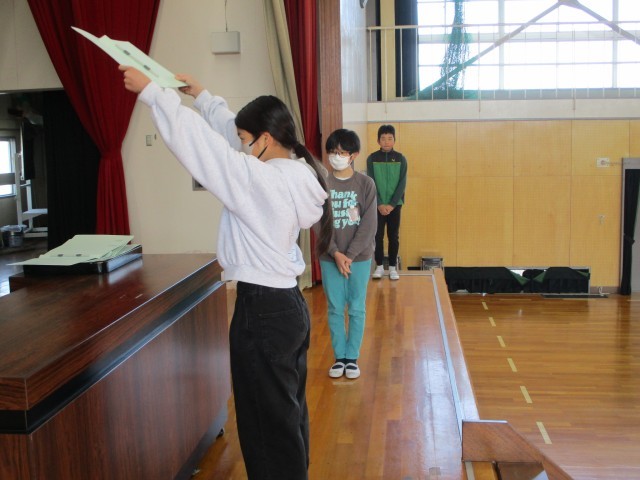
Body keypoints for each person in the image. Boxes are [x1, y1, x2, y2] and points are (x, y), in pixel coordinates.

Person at [119, 65, 333, 480]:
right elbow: (229, 139)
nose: (240, 145)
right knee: (285, 417)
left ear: (265, 139)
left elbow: (206, 150)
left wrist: (154, 95)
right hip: (287, 307)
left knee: (265, 428)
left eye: (245, 139)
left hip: (262, 312)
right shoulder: (297, 172)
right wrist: (202, 97)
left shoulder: (259, 181)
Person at [318, 129, 377, 380]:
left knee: (356, 308)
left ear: (354, 155)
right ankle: (339, 357)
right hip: (329, 257)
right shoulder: (322, 184)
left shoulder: (365, 184)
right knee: (334, 308)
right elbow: (319, 223)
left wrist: (349, 255)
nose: (336, 157)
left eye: (342, 153)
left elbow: (369, 225)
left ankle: (352, 358)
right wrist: (335, 253)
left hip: (359, 258)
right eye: (332, 152)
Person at [366, 124, 407, 281]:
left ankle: (392, 268)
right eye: (383, 138)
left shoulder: (401, 159)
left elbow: (402, 183)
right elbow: (371, 182)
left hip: (395, 205)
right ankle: (379, 267)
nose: (386, 141)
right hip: (377, 205)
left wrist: (391, 204)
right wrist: (379, 203)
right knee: (377, 235)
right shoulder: (372, 159)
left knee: (393, 236)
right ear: (378, 141)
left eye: (390, 138)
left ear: (394, 140)